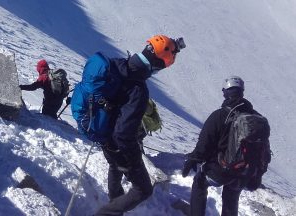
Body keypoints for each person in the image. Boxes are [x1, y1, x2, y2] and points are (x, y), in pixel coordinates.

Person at [95, 35, 184, 216]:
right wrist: (135, 160)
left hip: (102, 131)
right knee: (143, 189)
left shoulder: (118, 64)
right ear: (158, 64)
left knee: (115, 167)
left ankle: (115, 204)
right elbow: (123, 134)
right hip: (117, 141)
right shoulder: (138, 90)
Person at [182, 76, 269, 216]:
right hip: (243, 172)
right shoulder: (257, 119)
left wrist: (193, 159)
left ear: (225, 92)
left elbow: (204, 143)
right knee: (232, 195)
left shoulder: (220, 115)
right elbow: (264, 151)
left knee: (200, 182)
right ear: (242, 92)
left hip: (220, 169)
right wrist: (257, 175)